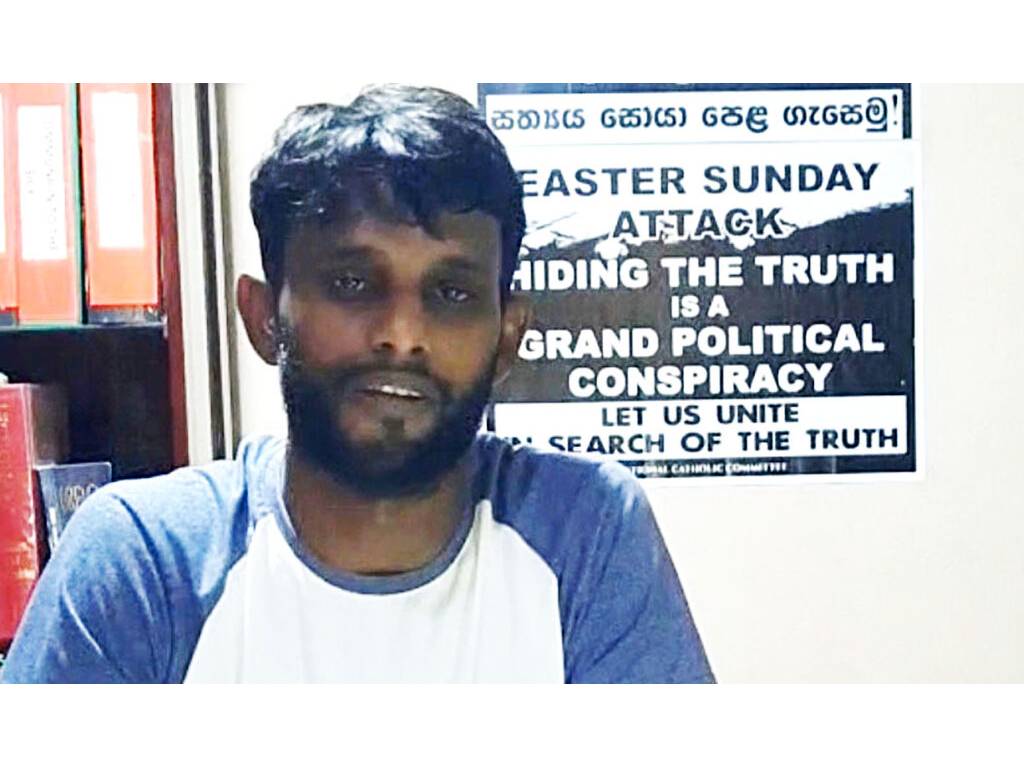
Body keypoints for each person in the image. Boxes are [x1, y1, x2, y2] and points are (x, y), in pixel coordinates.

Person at [1, 85, 713, 683]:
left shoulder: (582, 532)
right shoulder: (145, 563)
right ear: (263, 317)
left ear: (506, 338)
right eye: (351, 283)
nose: (401, 334)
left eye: (452, 294)